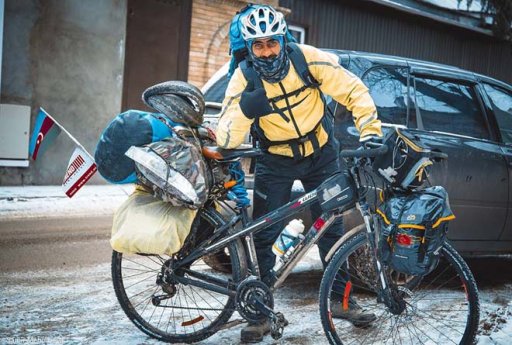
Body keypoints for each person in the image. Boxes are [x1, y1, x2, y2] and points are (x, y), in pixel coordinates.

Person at [216, 5, 382, 343]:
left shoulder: (306, 58)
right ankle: (261, 314)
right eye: (258, 46)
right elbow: (225, 138)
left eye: (271, 43)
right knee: (263, 235)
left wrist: (370, 131)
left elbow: (354, 91)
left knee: (333, 228)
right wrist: (246, 110)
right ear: (249, 48)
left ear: (282, 39)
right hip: (274, 161)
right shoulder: (244, 77)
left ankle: (341, 302)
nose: (266, 51)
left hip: (320, 153)